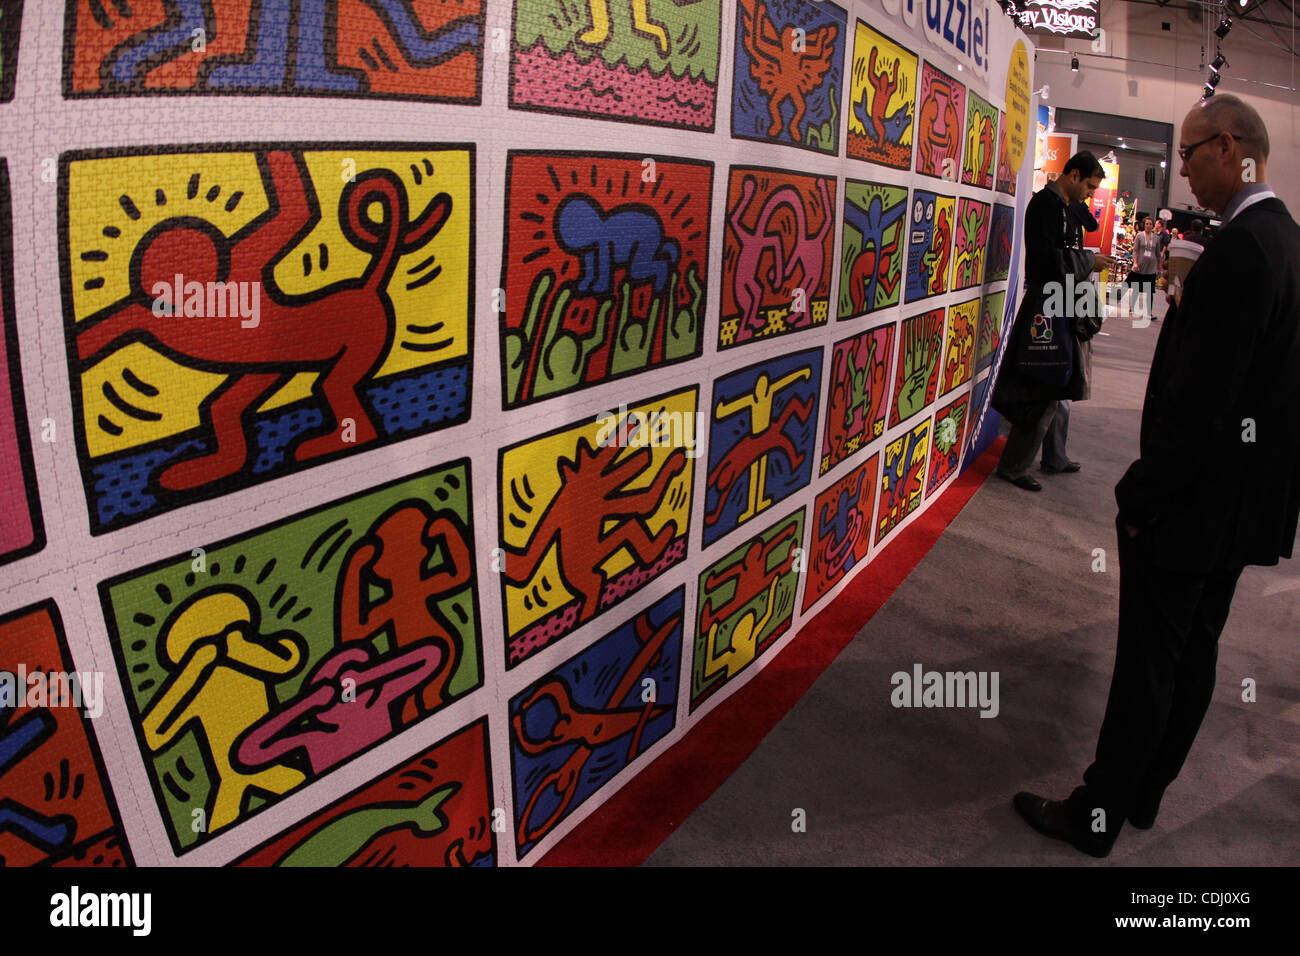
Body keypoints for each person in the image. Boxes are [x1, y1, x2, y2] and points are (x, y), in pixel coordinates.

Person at [1014, 93, 1300, 857]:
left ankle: (1096, 815)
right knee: (1193, 651)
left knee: (1148, 664)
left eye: (1190, 153)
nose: (1184, 171)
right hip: (1239, 511)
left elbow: (1202, 401)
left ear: (1230, 145)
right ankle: (1141, 796)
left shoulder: (1243, 250)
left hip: (1192, 508)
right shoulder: (1284, 242)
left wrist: (1143, 499)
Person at [991, 151, 1116, 492]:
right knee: (1044, 385)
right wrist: (1089, 260)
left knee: (1060, 385)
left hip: (1058, 301)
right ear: (1073, 175)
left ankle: (1054, 455)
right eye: (1089, 186)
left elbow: (1081, 232)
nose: (1090, 194)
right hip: (1046, 305)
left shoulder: (1064, 207)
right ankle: (1015, 465)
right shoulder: (1046, 206)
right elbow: (1047, 260)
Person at [1126, 216, 1161, 321]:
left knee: (1149, 290)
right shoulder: (1139, 236)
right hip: (1140, 265)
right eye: (1146, 224)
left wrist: (1159, 266)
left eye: (1150, 224)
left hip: (1151, 267)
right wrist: (1135, 263)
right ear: (1143, 224)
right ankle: (1133, 307)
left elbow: (1158, 253)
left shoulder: (1156, 238)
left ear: (1153, 225)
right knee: (1136, 287)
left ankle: (1149, 312)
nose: (1148, 226)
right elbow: (1135, 250)